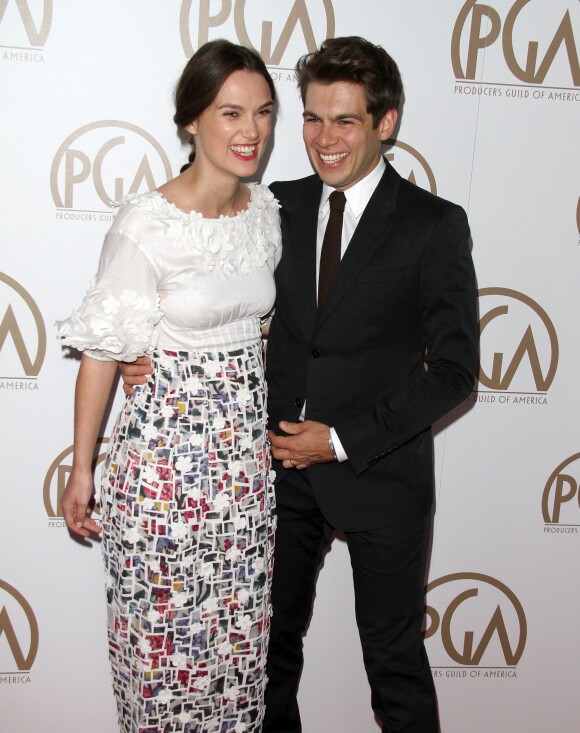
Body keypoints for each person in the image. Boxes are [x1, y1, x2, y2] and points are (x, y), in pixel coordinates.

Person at [122, 36, 477, 733]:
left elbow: (455, 372)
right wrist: (151, 352)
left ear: (387, 122)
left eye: (345, 120)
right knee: (266, 658)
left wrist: (341, 440)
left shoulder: (435, 226)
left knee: (394, 664)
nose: (325, 138)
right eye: (313, 118)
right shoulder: (272, 208)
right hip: (277, 478)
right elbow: (215, 292)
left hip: (383, 475)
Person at [58, 39, 281, 733]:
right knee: (161, 664)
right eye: (230, 113)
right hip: (162, 478)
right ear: (190, 122)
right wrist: (81, 467)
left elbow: (263, 332)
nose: (251, 132)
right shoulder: (145, 223)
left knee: (237, 660)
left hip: (243, 482)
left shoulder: (267, 215)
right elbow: (103, 350)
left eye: (264, 113)